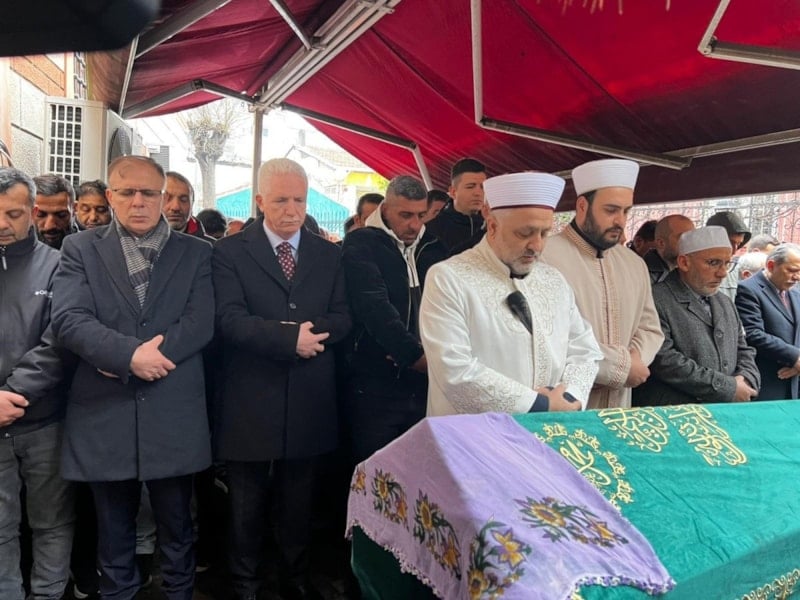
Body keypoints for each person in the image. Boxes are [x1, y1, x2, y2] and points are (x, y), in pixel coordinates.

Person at [50, 156, 214, 600]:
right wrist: (128, 356)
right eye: (127, 192)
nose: (138, 201)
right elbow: (69, 318)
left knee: (178, 526)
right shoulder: (80, 249)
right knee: (113, 530)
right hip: (106, 407)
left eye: (149, 193)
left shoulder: (197, 252)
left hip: (172, 406)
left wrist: (148, 358)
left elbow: (200, 322)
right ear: (111, 196)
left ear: (162, 197)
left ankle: (179, 592)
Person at [212, 158, 350, 600]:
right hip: (250, 397)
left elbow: (344, 316)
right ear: (259, 201)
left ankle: (295, 581)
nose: (292, 210)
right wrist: (290, 339)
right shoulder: (229, 253)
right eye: (281, 201)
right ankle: (245, 585)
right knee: (245, 505)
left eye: (299, 200)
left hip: (309, 397)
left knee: (298, 503)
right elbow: (228, 319)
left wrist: (311, 337)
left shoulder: (330, 254)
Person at [421, 172, 602, 415]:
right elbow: (453, 368)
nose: (537, 246)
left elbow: (584, 349)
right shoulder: (448, 278)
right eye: (525, 233)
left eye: (544, 233)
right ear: (493, 227)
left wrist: (570, 397)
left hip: (549, 428)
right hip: (474, 434)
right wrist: (539, 405)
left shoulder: (554, 280)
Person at [0, 167, 75, 600]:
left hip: (44, 420)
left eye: (13, 213)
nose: (3, 224)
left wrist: (13, 393)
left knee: (52, 522)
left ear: (31, 211)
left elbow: (59, 341)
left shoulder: (59, 266)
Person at [541, 158, 663, 409]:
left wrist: (635, 361)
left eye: (626, 211)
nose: (621, 221)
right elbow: (545, 336)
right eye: (611, 210)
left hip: (619, 408)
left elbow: (650, 328)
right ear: (582, 206)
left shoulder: (634, 263)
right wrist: (619, 367)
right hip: (565, 406)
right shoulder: (544, 257)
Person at [341, 175, 448, 462]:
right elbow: (374, 307)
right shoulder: (361, 244)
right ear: (386, 209)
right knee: (375, 469)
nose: (415, 224)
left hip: (426, 383)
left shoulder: (433, 246)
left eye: (421, 215)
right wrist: (415, 356)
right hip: (376, 383)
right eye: (405, 215)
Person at [633, 227, 759, 406]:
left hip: (724, 409)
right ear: (684, 262)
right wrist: (728, 388)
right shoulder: (656, 299)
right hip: (675, 411)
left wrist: (746, 379)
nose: (723, 273)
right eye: (713, 263)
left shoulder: (724, 302)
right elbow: (664, 360)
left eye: (727, 263)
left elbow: (743, 349)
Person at [735, 243, 800, 400]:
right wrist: (795, 357)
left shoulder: (795, 293)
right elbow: (752, 333)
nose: (797, 277)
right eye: (792, 270)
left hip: (794, 382)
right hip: (768, 380)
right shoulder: (748, 290)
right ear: (771, 266)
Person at [425, 158, 486, 252]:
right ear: (453, 192)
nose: (478, 193)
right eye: (470, 187)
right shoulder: (433, 229)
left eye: (482, 187)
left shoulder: (492, 224)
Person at [705, 210, 751, 301]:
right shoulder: (696, 266)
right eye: (730, 242)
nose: (734, 250)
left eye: (738, 244)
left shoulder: (734, 270)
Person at [162, 170, 214, 241]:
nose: (176, 207)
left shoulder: (209, 246)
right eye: (167, 199)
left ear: (192, 204)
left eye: (183, 200)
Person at [642, 214, 695, 284]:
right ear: (661, 243)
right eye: (683, 238)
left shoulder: (691, 271)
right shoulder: (643, 273)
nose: (690, 243)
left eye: (692, 237)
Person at [33, 173, 76, 249]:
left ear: (74, 210)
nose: (50, 226)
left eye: (61, 215)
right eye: (40, 215)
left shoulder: (89, 249)